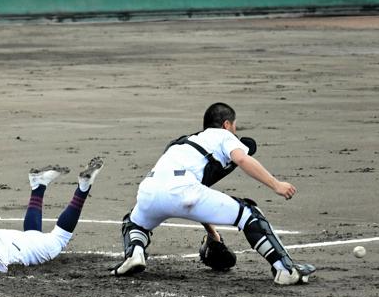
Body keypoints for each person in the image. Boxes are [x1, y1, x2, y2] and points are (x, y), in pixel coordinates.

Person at [111, 102, 315, 285]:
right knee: (248, 213)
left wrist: (212, 234)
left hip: (148, 191)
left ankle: (135, 252)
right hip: (183, 189)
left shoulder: (183, 144)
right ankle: (285, 270)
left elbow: (194, 195)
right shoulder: (224, 136)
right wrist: (275, 184)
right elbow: (242, 159)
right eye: (235, 126)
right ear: (227, 124)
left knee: (134, 222)